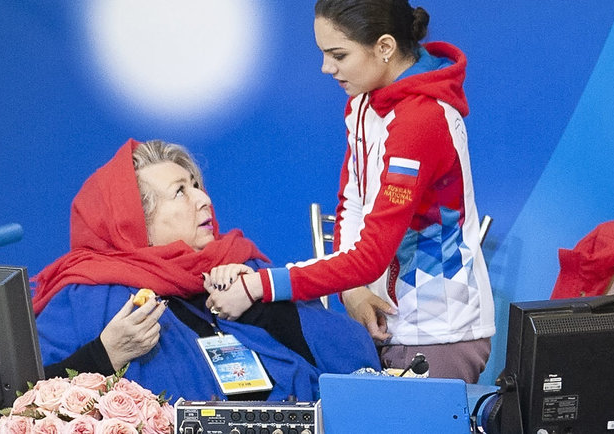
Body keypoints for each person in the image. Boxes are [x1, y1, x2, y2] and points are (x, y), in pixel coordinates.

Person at [205, 0, 495, 383]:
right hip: (383, 322)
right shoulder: (361, 101)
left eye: (338, 54)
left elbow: (373, 253)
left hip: (438, 335)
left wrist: (259, 286)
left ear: (385, 47)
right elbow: (353, 203)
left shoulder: (422, 122)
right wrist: (354, 290)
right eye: (324, 53)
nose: (327, 67)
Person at [32, 138, 379, 402]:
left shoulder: (240, 266)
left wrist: (257, 305)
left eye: (196, 185)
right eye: (180, 192)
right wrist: (104, 354)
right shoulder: (89, 296)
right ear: (135, 222)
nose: (204, 200)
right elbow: (23, 398)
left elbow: (353, 357)